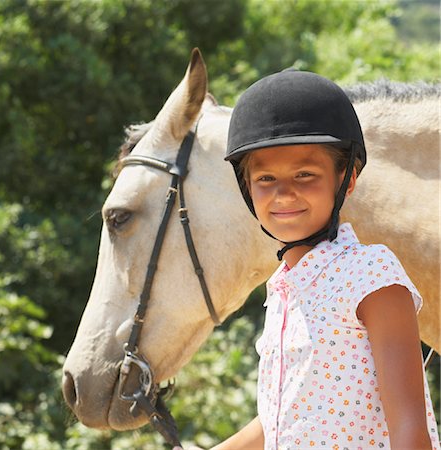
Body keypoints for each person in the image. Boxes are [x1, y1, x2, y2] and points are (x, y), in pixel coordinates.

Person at [174, 70, 440, 450]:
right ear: (247, 188)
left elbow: (410, 430)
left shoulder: (372, 275)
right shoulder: (283, 288)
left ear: (346, 179)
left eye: (304, 174)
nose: (284, 193)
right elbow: (281, 416)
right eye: (265, 178)